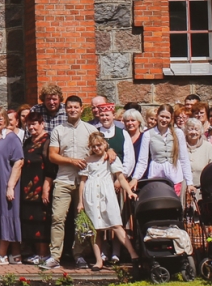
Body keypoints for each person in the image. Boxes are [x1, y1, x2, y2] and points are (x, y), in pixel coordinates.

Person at [41, 98, 94, 270]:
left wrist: (110, 151)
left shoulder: (91, 130)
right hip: (63, 180)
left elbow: (100, 149)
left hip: (84, 181)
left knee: (81, 220)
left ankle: (79, 255)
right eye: (69, 107)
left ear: (81, 109)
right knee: (57, 218)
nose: (73, 110)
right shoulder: (59, 130)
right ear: (65, 109)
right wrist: (71, 161)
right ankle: (55, 257)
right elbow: (52, 156)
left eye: (75, 107)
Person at [79, 132, 135, 270]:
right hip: (91, 196)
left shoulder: (111, 159)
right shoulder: (88, 161)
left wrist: (129, 191)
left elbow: (120, 177)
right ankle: (99, 260)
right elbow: (83, 182)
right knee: (95, 229)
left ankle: (133, 254)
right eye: (94, 146)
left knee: (116, 225)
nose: (97, 148)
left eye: (99, 145)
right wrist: (80, 202)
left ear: (105, 144)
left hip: (107, 195)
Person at [16, 110, 54, 264]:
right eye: (29, 125)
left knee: (41, 220)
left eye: (34, 124)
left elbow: (50, 167)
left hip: (41, 186)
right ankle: (35, 253)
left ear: (42, 124)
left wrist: (46, 188)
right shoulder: (27, 142)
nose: (31, 127)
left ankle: (44, 254)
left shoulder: (47, 141)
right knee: (30, 220)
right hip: (27, 187)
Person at [0, 110, 23, 264]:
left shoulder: (12, 138)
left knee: (6, 216)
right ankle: (13, 253)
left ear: (6, 120)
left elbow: (19, 162)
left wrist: (10, 186)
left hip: (6, 183)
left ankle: (1, 255)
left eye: (0, 119)